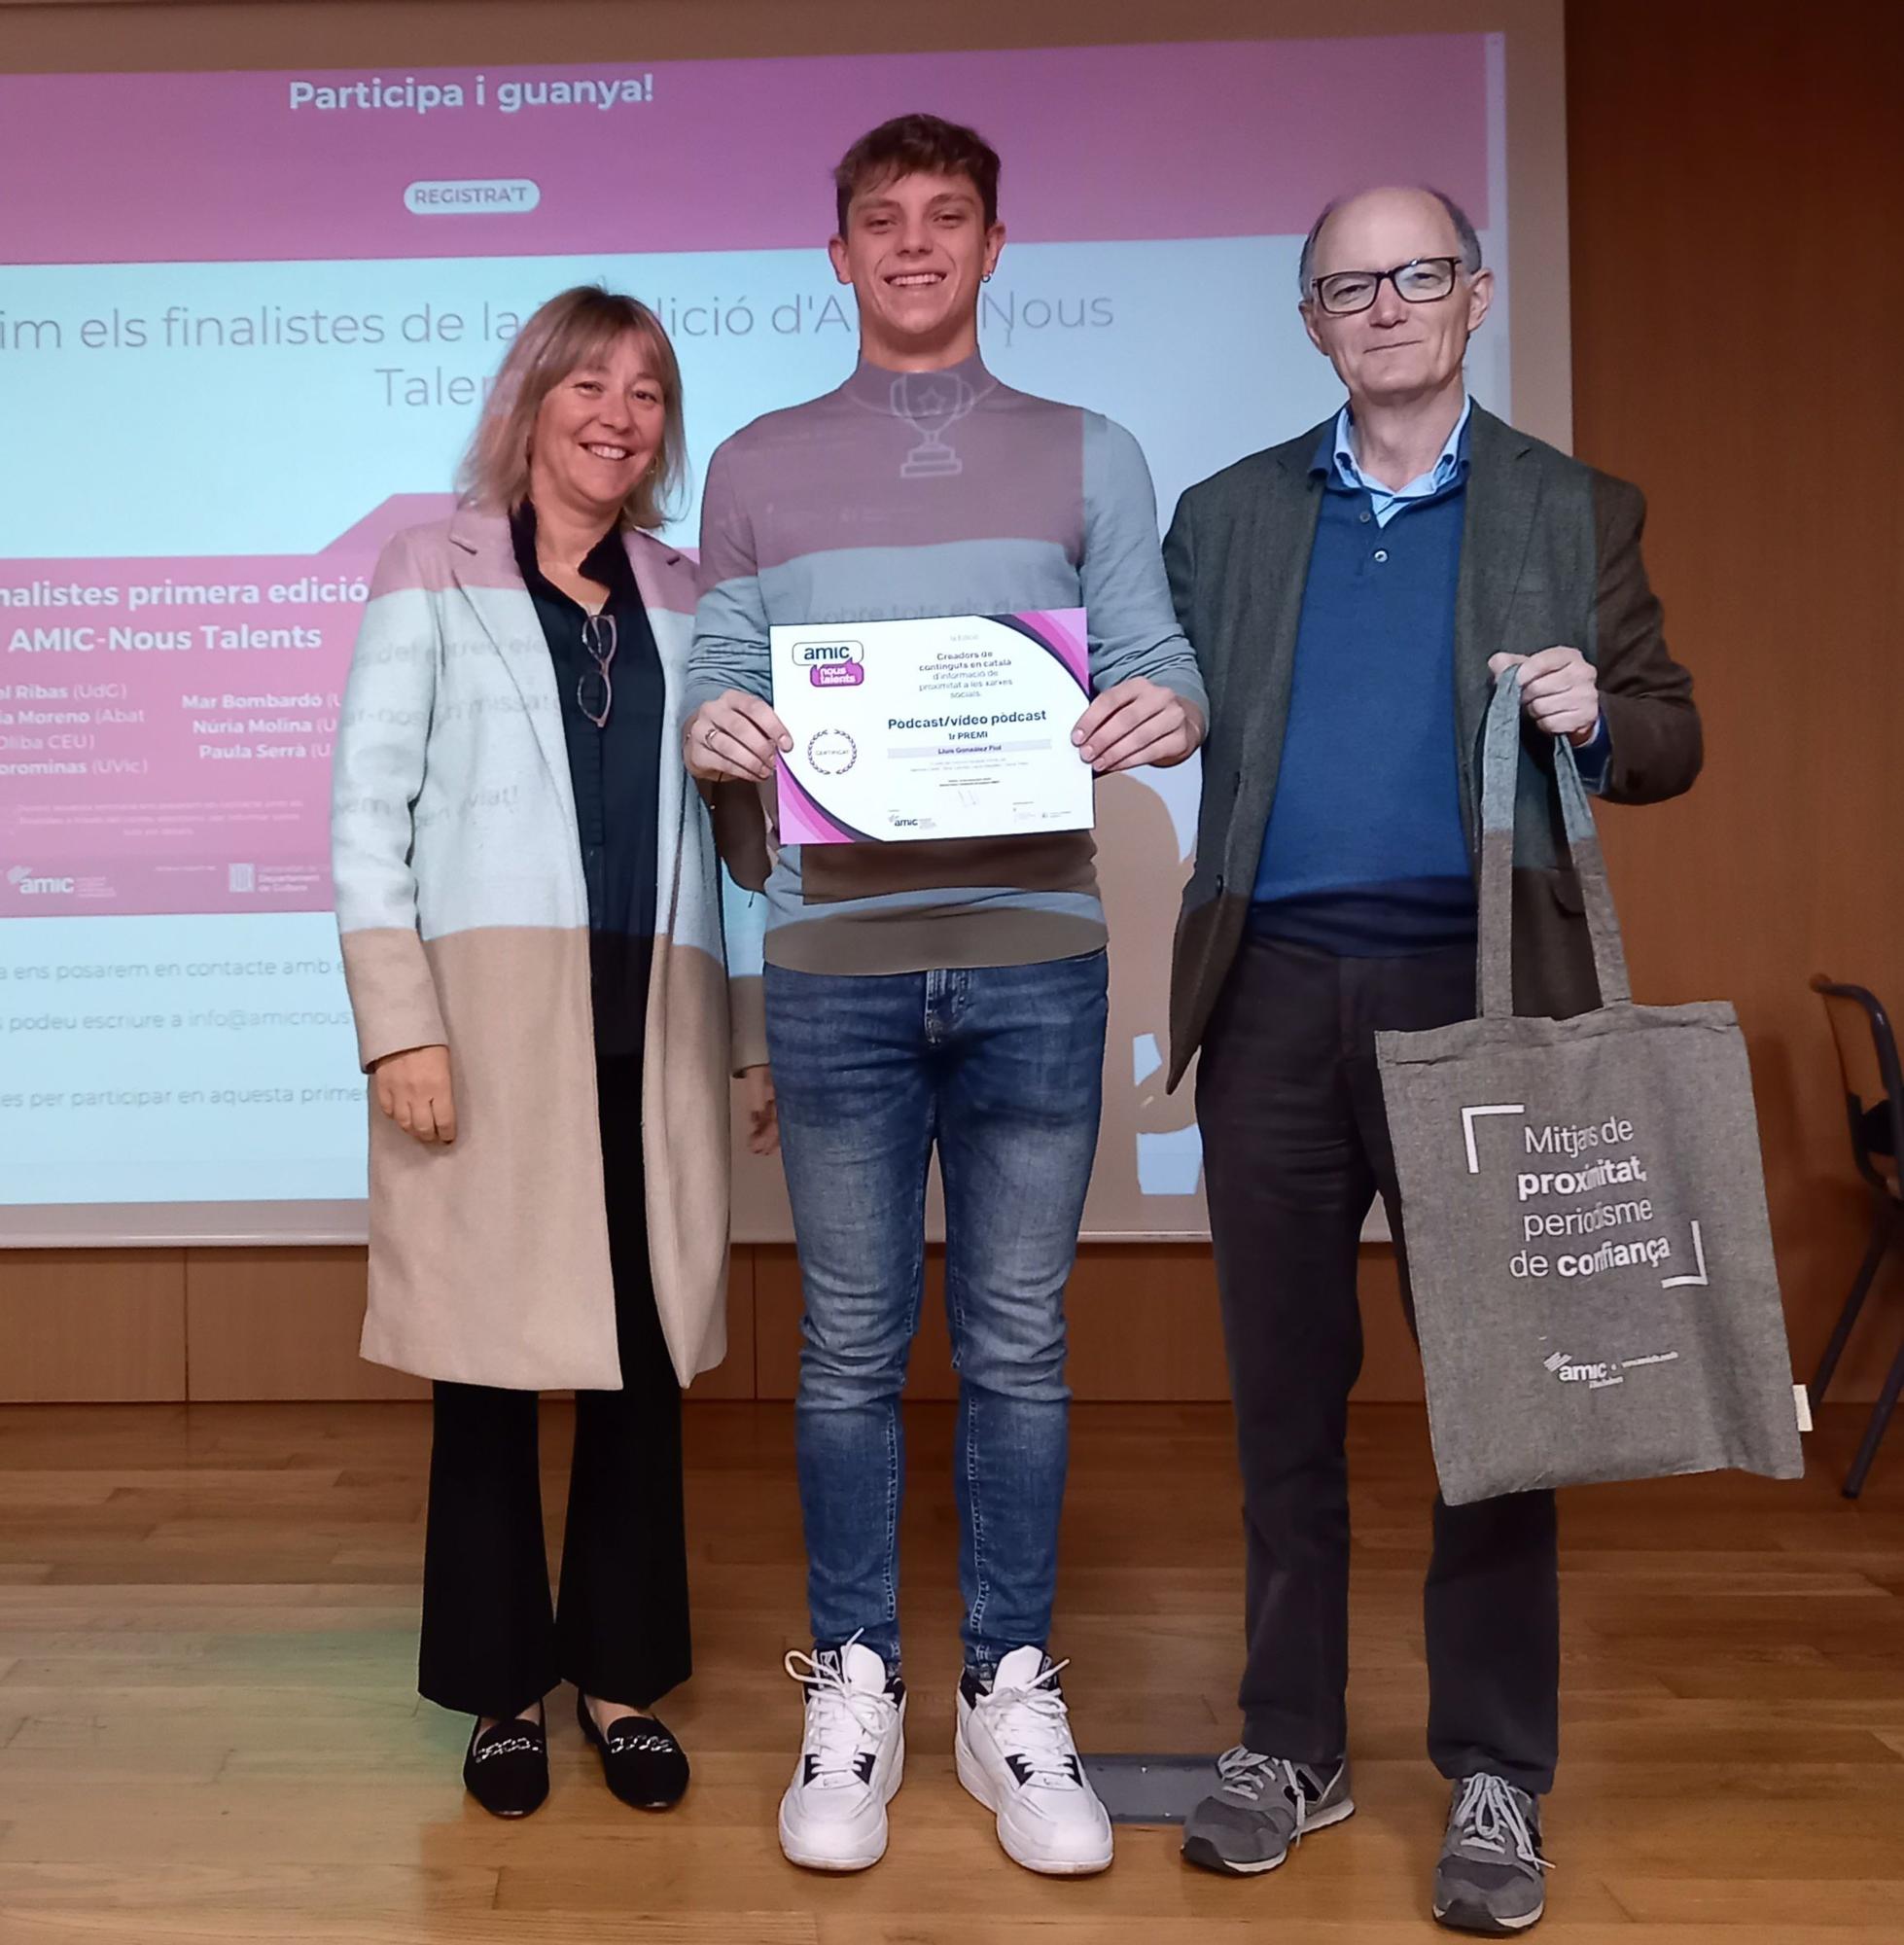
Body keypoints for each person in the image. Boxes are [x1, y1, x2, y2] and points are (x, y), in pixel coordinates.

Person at [1164, 188, 1701, 1931]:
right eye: (1345, 284)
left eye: (1414, 275)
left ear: (1474, 295)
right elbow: (1150, 690)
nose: (1382, 305)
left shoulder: (1570, 503)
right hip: (1269, 999)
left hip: (1485, 997)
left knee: (1503, 1403)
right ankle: (1290, 1746)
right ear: (1309, 320)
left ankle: (1490, 1770)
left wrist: (1594, 717)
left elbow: (1671, 732)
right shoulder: (1224, 516)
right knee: (1281, 1393)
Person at [683, 114, 1206, 1878]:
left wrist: (1167, 716)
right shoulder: (752, 462)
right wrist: (721, 738)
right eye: (880, 222)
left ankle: (1006, 1693)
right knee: (841, 1348)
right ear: (834, 255)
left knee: (1019, 1344)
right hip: (829, 965)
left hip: (1036, 959)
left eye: (947, 218)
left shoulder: (1089, 453)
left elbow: (1153, 666)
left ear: (996, 246)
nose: (913, 245)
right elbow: (718, 686)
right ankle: (854, 1688)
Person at [331, 285, 773, 1821]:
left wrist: (749, 1036)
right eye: (587, 382)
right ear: (529, 400)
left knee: (640, 1362)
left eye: (647, 390)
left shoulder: (691, 586)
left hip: (654, 1015)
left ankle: (623, 1678)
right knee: (488, 1372)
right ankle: (502, 1690)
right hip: (486, 1024)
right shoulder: (424, 565)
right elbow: (365, 818)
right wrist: (402, 1030)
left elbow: (744, 837)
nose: (617, 413)